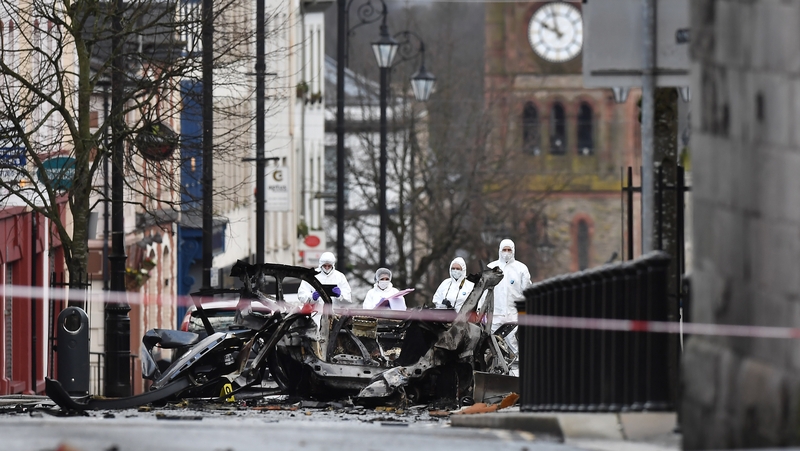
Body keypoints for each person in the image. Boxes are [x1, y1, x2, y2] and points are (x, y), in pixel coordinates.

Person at [486, 239, 531, 354]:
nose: (506, 252)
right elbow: (484, 292)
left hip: (513, 316)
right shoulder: (491, 268)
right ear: (500, 250)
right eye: (504, 250)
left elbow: (527, 293)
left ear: (513, 251)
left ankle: (516, 371)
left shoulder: (521, 269)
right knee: (492, 348)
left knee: (514, 348)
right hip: (494, 316)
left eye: (509, 250)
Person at [297, 252, 354, 323]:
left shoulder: (340, 277)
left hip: (336, 316)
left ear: (333, 265)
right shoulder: (311, 276)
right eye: (324, 266)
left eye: (329, 266)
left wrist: (340, 296)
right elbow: (301, 295)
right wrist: (312, 297)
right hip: (315, 316)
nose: (327, 268)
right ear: (321, 264)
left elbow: (348, 300)